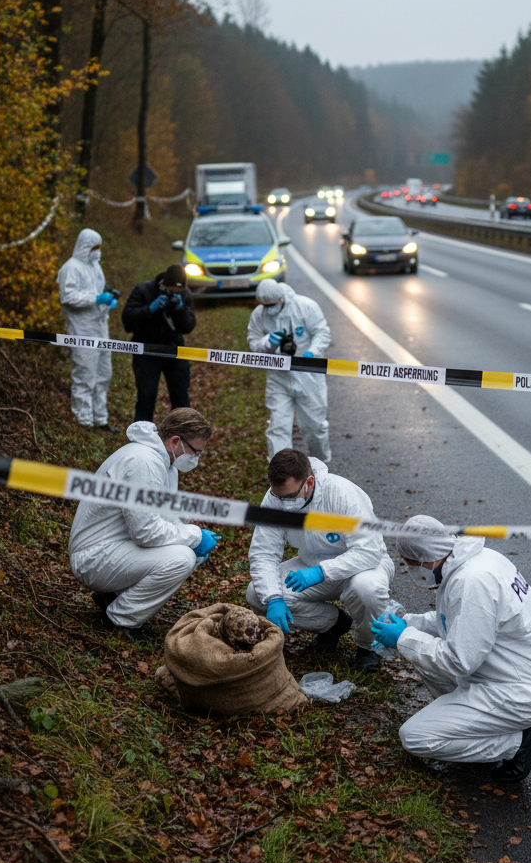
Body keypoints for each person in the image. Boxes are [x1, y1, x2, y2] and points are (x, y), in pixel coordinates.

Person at [371, 515, 531, 783]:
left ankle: (517, 744)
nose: (413, 570)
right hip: (509, 671)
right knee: (420, 652)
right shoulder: (476, 560)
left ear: (425, 559)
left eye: (412, 565)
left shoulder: (472, 581)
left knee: (415, 737)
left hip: (520, 691)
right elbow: (457, 621)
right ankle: (473, 725)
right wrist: (410, 624)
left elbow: (458, 660)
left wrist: (404, 638)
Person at [67, 408, 222, 641]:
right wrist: (194, 537)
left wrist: (192, 534)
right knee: (181, 558)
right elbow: (145, 531)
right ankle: (118, 620)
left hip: (114, 546)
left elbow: (163, 516)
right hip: (94, 557)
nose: (196, 458)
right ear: (176, 441)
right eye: (195, 451)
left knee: (185, 549)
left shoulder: (164, 461)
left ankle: (112, 597)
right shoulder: (144, 463)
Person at [245, 448, 393, 671]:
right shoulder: (274, 497)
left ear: (310, 482)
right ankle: (334, 623)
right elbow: (264, 552)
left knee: (367, 590)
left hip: (361, 566)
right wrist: (274, 598)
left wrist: (322, 572)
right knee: (257, 594)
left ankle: (366, 645)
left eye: (290, 497)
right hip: (310, 565)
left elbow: (369, 551)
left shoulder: (341, 493)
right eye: (279, 496)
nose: (284, 503)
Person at [246, 279, 331, 462]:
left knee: (314, 426)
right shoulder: (259, 315)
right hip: (278, 378)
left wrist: (311, 353)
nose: (270, 309)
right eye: (265, 305)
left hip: (308, 376)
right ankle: (282, 473)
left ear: (281, 298)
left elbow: (321, 332)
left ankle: (320, 466)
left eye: (272, 304)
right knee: (278, 428)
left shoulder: (305, 306)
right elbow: (253, 341)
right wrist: (267, 345)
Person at [57, 227, 119, 431]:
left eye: (99, 247)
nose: (98, 251)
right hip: (82, 330)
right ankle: (83, 420)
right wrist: (95, 299)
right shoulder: (71, 268)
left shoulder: (95, 266)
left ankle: (100, 418)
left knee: (104, 374)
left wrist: (108, 298)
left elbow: (98, 289)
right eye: (95, 247)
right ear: (85, 246)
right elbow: (68, 297)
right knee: (84, 375)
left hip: (100, 328)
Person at [122, 264, 197, 422]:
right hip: (147, 351)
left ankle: (181, 436)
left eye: (179, 291)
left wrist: (180, 310)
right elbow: (127, 320)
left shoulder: (185, 293)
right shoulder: (144, 290)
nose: (175, 293)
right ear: (164, 284)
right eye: (171, 290)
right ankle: (142, 438)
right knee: (146, 397)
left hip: (175, 350)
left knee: (181, 398)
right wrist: (149, 309)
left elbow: (189, 326)